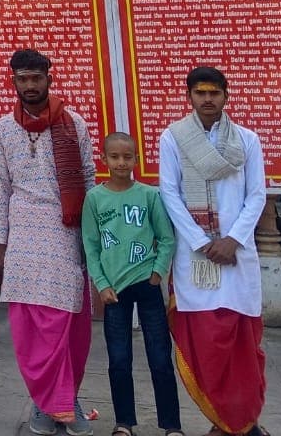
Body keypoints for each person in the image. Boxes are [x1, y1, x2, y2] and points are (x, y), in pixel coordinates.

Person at [0, 48, 97, 436]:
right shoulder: (2, 129)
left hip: (65, 232)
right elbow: (1, 188)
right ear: (14, 81)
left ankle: (67, 400)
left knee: (66, 323)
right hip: (22, 234)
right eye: (23, 79)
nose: (30, 86)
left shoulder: (75, 125)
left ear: (49, 79)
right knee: (29, 326)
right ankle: (43, 401)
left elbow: (87, 182)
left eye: (37, 78)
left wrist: (91, 239)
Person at [159, 67, 268, 436]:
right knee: (204, 342)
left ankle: (241, 421)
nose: (208, 99)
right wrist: (203, 242)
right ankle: (222, 419)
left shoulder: (248, 141)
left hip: (237, 256)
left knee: (241, 342)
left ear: (226, 95)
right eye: (200, 92)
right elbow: (169, 194)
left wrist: (232, 240)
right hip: (196, 258)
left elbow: (257, 195)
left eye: (214, 92)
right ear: (189, 96)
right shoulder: (173, 139)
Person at [82, 132, 183, 436]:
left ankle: (172, 425)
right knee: (119, 359)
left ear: (137, 159)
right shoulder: (95, 198)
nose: (121, 162)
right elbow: (91, 245)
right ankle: (123, 423)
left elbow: (166, 238)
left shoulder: (149, 196)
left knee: (159, 357)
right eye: (114, 156)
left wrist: (157, 272)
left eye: (128, 156)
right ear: (103, 159)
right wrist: (101, 284)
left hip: (147, 285)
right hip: (114, 291)